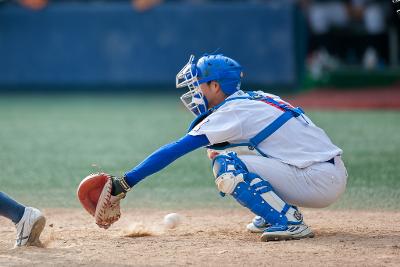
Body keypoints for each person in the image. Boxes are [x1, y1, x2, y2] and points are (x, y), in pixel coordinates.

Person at [91, 54, 348, 241]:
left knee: (226, 164)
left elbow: (175, 149)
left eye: (199, 84)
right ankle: (271, 212)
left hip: (317, 179)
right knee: (221, 151)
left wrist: (124, 183)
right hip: (324, 172)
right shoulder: (257, 97)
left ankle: (289, 221)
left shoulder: (233, 112)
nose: (195, 90)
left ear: (216, 86)